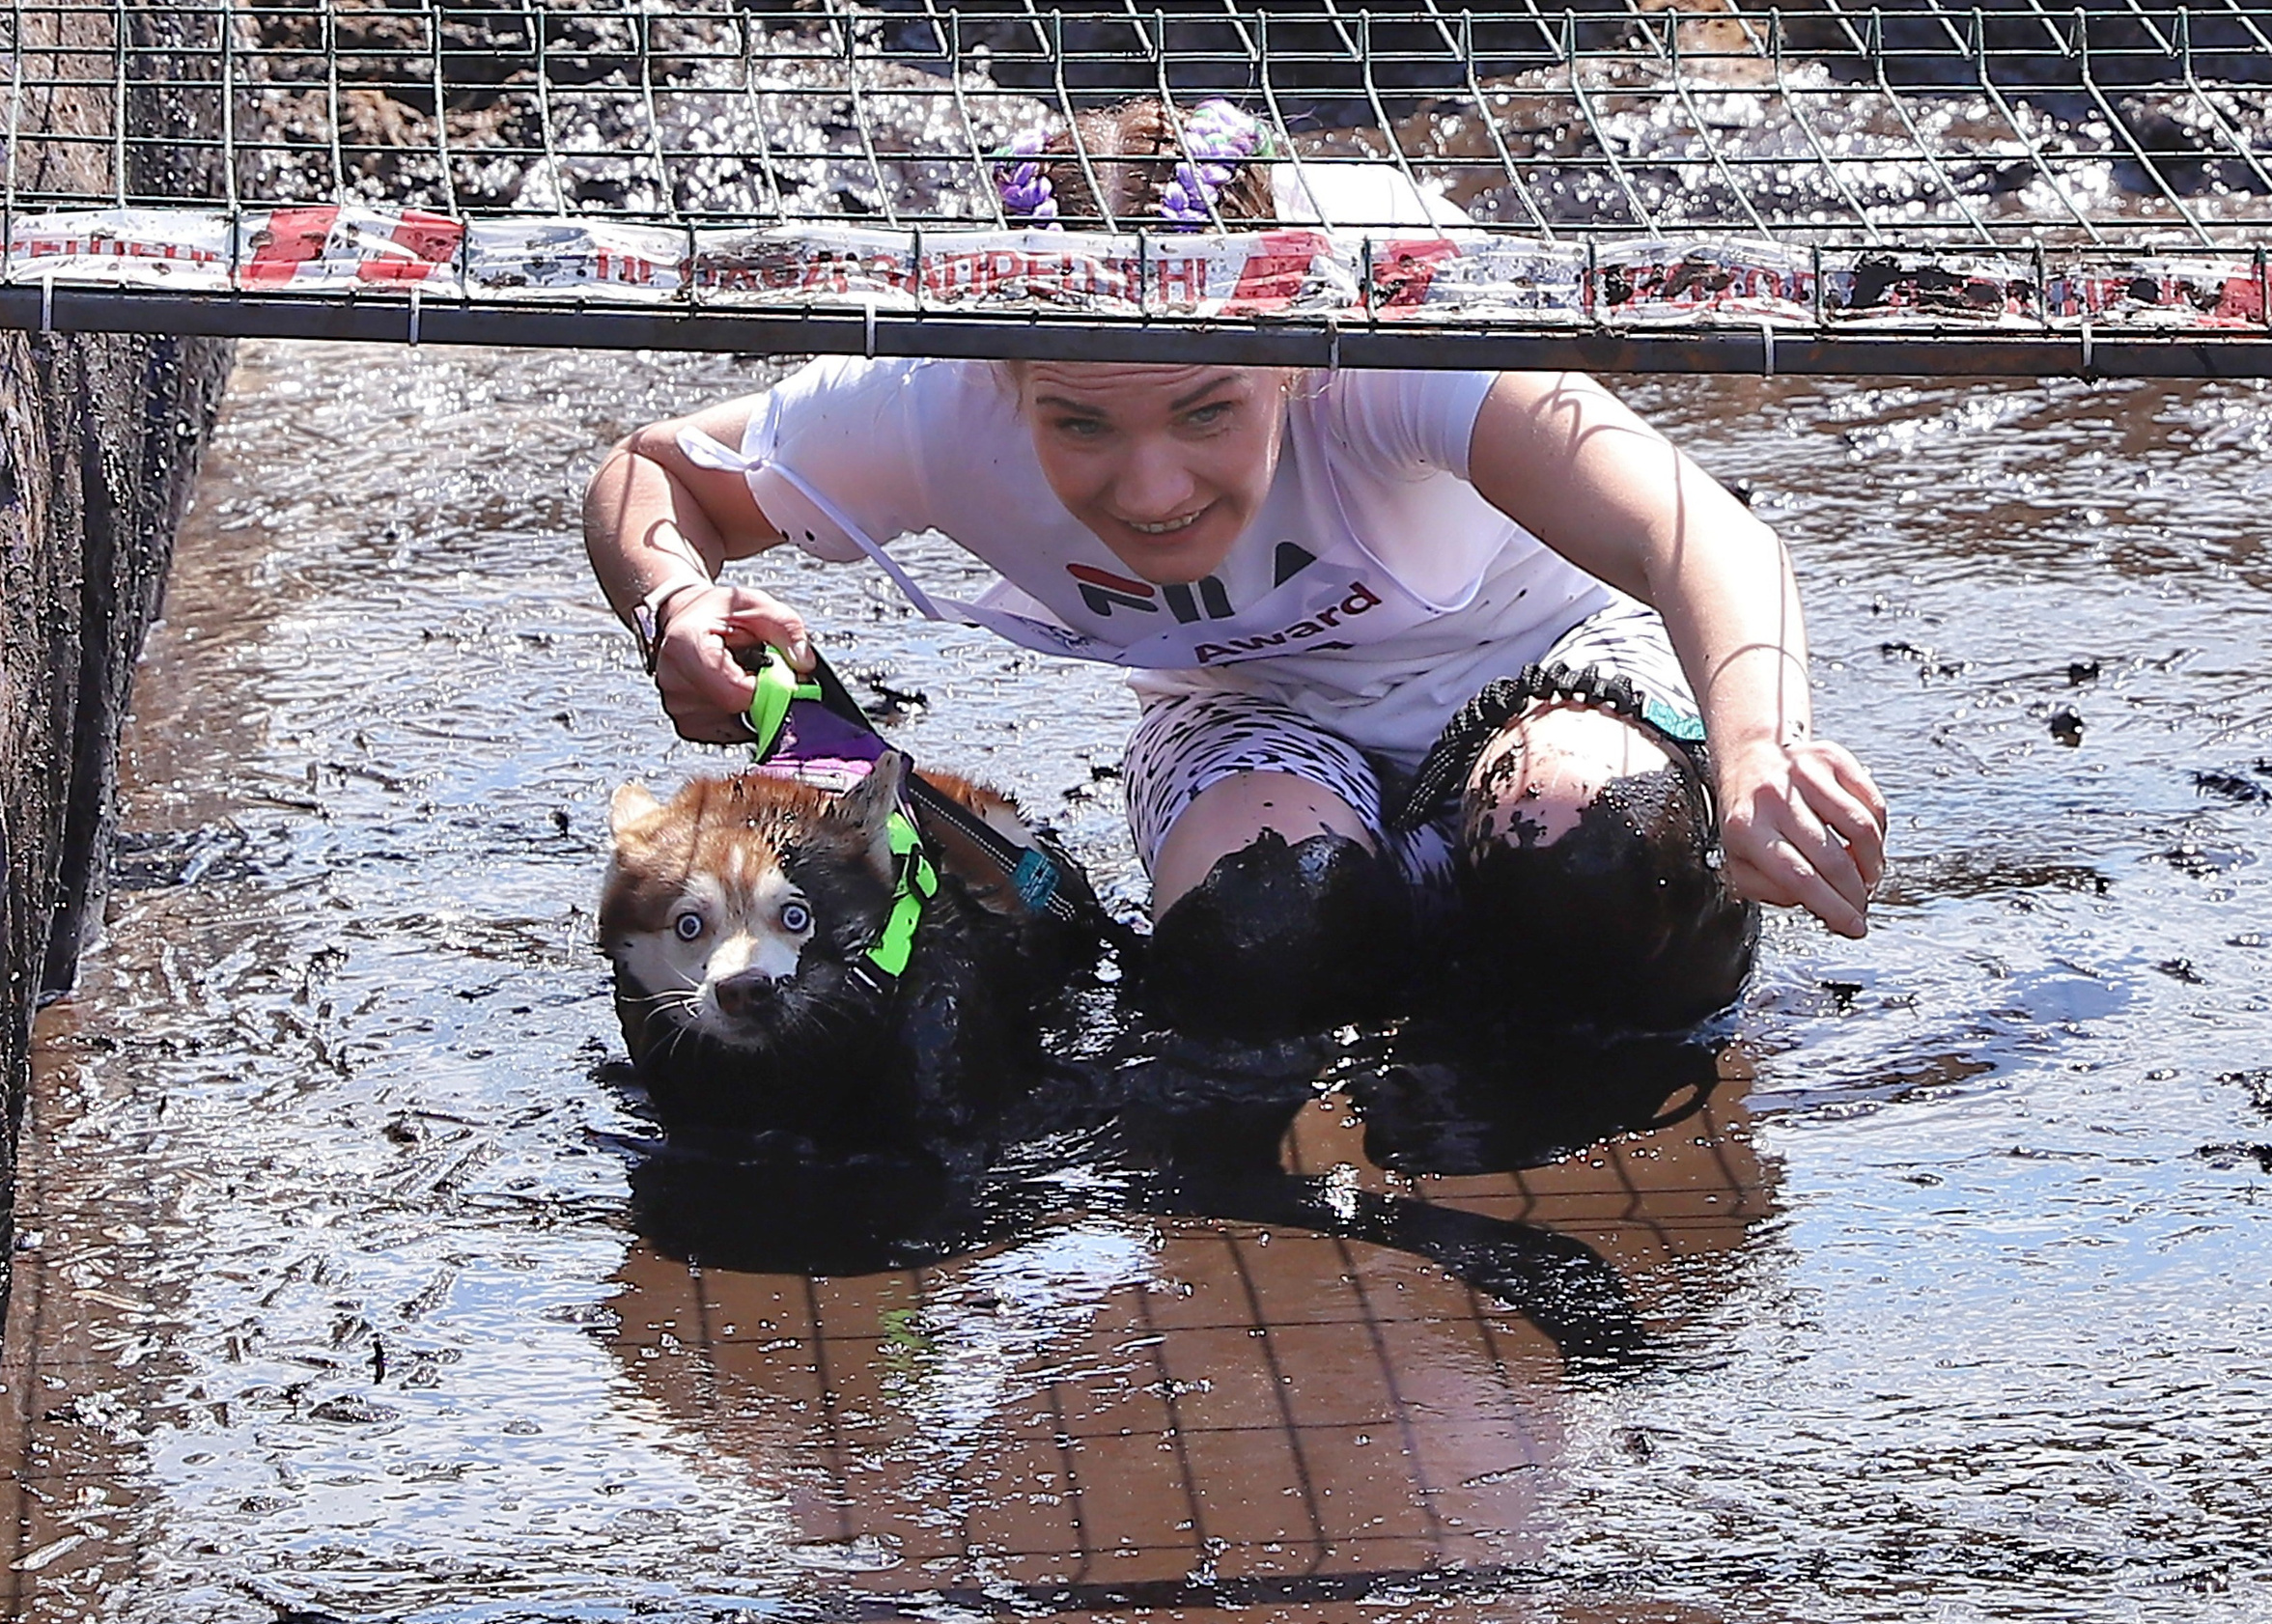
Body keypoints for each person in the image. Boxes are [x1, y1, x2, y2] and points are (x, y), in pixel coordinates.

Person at [583, 98, 1886, 1039]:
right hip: (1251, 720)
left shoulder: (1393, 335)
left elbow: (1701, 532)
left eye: (1207, 411)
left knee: (1592, 859)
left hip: (1540, 670)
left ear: (1288, 359)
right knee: (1260, 945)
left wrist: (1761, 750)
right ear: (1007, 379)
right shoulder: (931, 397)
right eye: (1080, 424)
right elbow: (650, 476)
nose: (1151, 491)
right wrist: (672, 611)